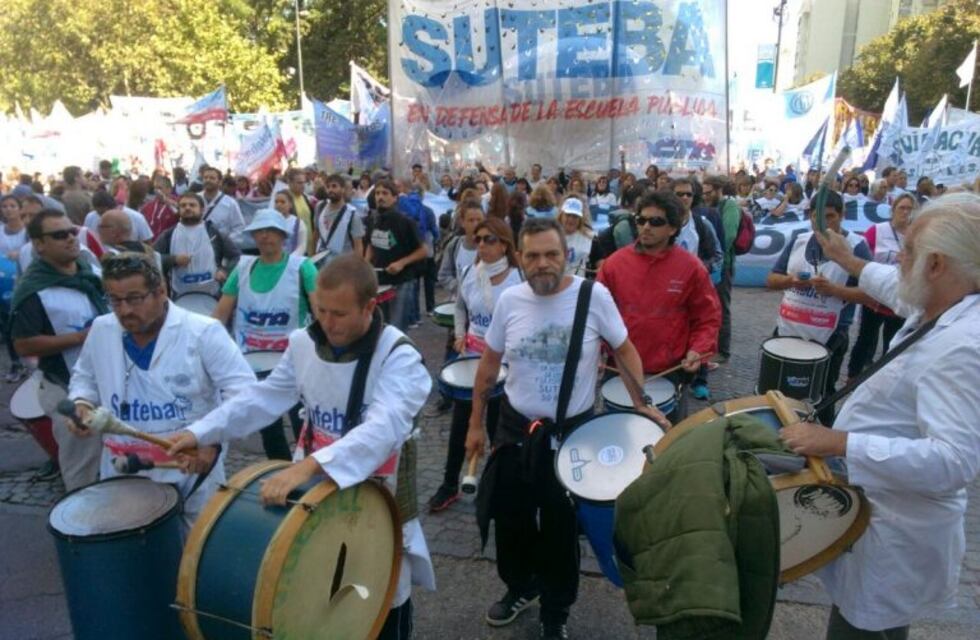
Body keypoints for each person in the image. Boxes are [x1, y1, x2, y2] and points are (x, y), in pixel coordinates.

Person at [167, 254, 436, 639]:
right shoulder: (302, 342)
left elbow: (384, 427)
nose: (327, 323)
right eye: (320, 310)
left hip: (379, 496)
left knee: (380, 593)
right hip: (316, 495)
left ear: (370, 306)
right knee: (317, 595)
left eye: (339, 314)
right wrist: (200, 433)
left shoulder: (400, 357)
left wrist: (309, 465)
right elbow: (264, 397)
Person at [781, 193, 980, 639]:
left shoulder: (962, 347)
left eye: (907, 251)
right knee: (868, 620)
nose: (897, 259)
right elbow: (893, 287)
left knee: (865, 626)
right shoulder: (943, 303)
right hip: (881, 518)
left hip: (897, 532)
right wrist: (847, 259)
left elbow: (954, 461)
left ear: (935, 266)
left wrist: (840, 443)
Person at [464, 217, 668, 640]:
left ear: (567, 255)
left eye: (552, 254)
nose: (543, 264)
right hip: (514, 426)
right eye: (534, 255)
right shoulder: (510, 301)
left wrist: (640, 405)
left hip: (572, 431)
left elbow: (625, 350)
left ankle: (556, 608)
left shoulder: (594, 297)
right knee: (510, 517)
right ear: (520, 257)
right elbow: (488, 362)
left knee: (558, 526)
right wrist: (474, 424)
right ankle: (522, 586)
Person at [64, 253, 254, 532]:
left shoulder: (203, 332)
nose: (124, 309)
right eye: (115, 300)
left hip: (188, 473)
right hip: (122, 470)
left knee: (193, 558)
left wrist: (211, 440)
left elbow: (244, 395)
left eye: (135, 298)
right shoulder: (103, 329)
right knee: (130, 551)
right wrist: (81, 403)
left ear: (161, 291)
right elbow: (85, 378)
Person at [597, 191, 721, 422]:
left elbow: (708, 317)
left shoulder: (691, 267)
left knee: (666, 446)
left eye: (656, 222)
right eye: (641, 220)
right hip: (621, 371)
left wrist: (698, 349)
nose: (646, 227)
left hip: (670, 373)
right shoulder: (614, 264)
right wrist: (597, 351)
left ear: (673, 228)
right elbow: (595, 318)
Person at [428, 218, 523, 512]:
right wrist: (459, 334)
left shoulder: (519, 278)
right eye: (478, 239)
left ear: (505, 244)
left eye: (489, 239)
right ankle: (448, 484)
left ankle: (499, 489)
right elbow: (459, 306)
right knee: (462, 426)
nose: (481, 245)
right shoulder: (470, 271)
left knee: (498, 430)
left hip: (504, 366)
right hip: (470, 359)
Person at [10, 210, 110, 489]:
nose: (69, 238)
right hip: (65, 387)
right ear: (39, 244)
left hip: (109, 381)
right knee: (82, 468)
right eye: (59, 235)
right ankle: (82, 523)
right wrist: (80, 337)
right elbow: (23, 344)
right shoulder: (33, 290)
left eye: (71, 232)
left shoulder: (90, 273)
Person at [212, 209, 317, 460]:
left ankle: (307, 472)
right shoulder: (243, 268)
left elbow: (322, 315)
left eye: (271, 231)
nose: (265, 236)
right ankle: (279, 471)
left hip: (295, 362)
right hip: (253, 364)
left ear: (283, 236)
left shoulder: (303, 269)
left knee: (304, 422)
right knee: (268, 427)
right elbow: (219, 317)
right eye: (260, 231)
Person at [766, 190, 872, 424]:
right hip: (787, 330)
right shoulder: (799, 240)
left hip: (829, 336)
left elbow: (871, 296)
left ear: (842, 216)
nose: (822, 222)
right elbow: (771, 280)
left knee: (821, 394)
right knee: (778, 388)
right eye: (816, 216)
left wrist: (835, 291)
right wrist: (791, 281)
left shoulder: (856, 247)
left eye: (830, 216)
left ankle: (823, 441)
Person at [846, 193, 916, 380]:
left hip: (900, 297)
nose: (906, 212)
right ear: (893, 210)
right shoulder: (877, 230)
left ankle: (883, 379)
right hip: (875, 296)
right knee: (865, 338)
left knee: (893, 341)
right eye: (902, 208)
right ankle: (852, 377)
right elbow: (861, 259)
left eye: (910, 208)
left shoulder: (916, 236)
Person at [365, 180, 428, 331]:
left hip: (401, 283)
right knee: (379, 326)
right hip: (379, 281)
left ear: (395, 198)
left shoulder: (405, 222)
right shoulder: (373, 220)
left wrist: (401, 263)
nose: (380, 197)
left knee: (396, 328)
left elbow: (424, 250)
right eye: (378, 193)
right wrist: (365, 264)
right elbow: (371, 244)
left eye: (385, 193)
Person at [155, 192, 239, 300]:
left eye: (192, 205)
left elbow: (236, 256)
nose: (187, 208)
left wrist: (225, 271)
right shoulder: (169, 235)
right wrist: (173, 259)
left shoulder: (213, 232)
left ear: (202, 209)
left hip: (212, 296)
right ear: (179, 210)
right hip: (179, 297)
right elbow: (152, 258)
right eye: (183, 205)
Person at [702, 175, 740, 362]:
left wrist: (713, 253)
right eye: (704, 193)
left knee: (722, 307)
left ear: (719, 190)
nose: (706, 197)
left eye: (709, 193)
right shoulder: (712, 207)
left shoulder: (730, 206)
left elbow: (728, 235)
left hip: (722, 265)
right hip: (711, 265)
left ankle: (723, 351)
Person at [314, 174, 365, 261]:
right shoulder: (320, 207)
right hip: (321, 263)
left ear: (343, 189)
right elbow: (316, 233)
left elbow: (358, 245)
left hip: (343, 264)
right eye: (328, 187)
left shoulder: (352, 214)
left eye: (334, 186)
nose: (331, 189)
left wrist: (356, 267)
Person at [84, 190, 153, 243]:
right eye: (99, 213)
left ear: (114, 207)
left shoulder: (136, 218)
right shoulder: (90, 217)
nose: (103, 217)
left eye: (104, 213)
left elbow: (147, 241)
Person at [200, 166, 246, 246]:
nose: (208, 180)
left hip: (222, 250)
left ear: (220, 182)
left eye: (212, 178)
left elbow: (239, 227)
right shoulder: (194, 199)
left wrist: (223, 242)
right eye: (205, 177)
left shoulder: (230, 203)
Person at [284, 167, 317, 256]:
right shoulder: (284, 199)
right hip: (294, 249)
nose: (303, 185)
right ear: (289, 182)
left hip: (309, 247)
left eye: (304, 182)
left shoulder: (305, 197)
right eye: (299, 183)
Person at [557, 197, 592, 276]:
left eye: (575, 216)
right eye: (568, 215)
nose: (571, 219)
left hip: (579, 284)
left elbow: (600, 262)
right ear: (561, 215)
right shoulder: (550, 235)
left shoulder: (590, 237)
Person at [140, 174, 179, 240]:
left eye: (159, 188)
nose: (156, 191)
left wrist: (166, 200)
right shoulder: (148, 206)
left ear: (169, 189)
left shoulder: (179, 202)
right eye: (155, 188)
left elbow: (180, 212)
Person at [272, 190, 308, 257]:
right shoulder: (270, 222)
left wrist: (290, 259)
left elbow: (302, 246)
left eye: (283, 202)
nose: (278, 205)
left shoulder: (298, 223)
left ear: (290, 204)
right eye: (276, 202)